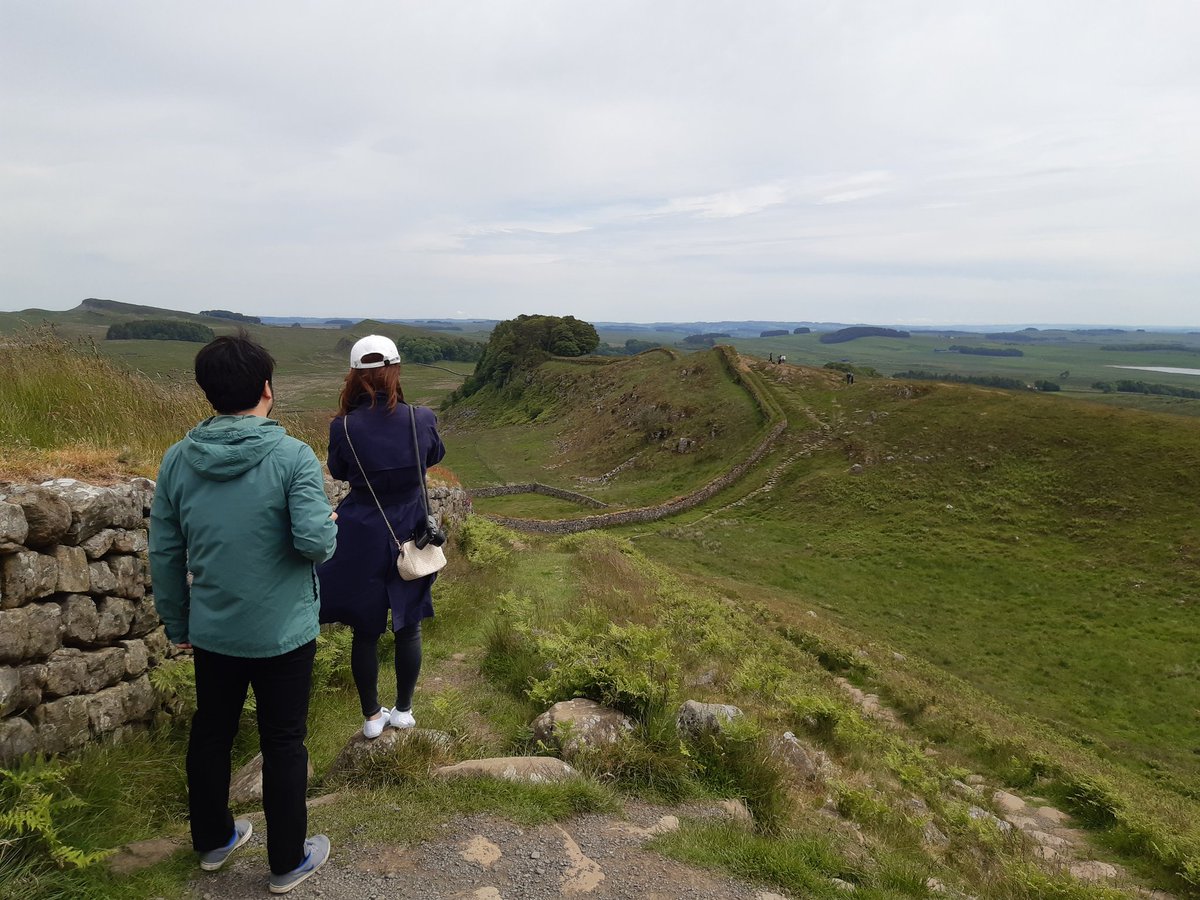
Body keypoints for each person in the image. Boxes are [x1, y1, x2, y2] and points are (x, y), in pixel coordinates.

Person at [150, 334, 337, 894]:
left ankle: (213, 842)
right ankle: (286, 862)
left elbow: (164, 551)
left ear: (208, 393)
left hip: (213, 630)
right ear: (266, 390)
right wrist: (328, 521)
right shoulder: (293, 456)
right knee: (283, 741)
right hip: (284, 630)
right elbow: (314, 543)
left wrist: (177, 624)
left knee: (212, 732)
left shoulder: (178, 459)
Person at [318, 335, 446, 740]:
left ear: (354, 375)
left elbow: (338, 472)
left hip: (362, 532)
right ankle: (404, 710)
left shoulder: (344, 426)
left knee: (365, 630)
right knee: (408, 626)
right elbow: (435, 456)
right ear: (395, 370)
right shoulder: (420, 417)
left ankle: (372, 717)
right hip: (411, 530)